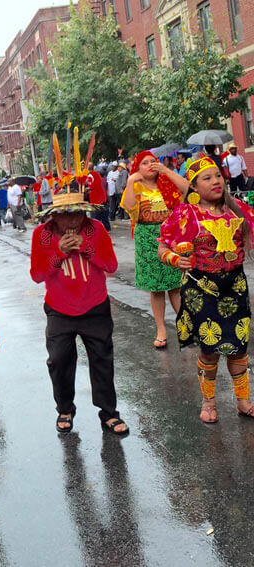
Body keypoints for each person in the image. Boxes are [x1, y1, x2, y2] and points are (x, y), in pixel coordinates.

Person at [158, 156, 254, 423]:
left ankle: (243, 400)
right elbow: (162, 248)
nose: (216, 182)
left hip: (234, 286)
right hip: (202, 289)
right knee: (209, 349)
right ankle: (209, 402)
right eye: (207, 178)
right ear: (194, 187)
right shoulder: (185, 214)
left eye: (218, 176)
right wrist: (177, 259)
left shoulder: (240, 212)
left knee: (239, 346)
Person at [30, 179, 129, 436]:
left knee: (102, 360)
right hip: (59, 309)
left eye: (77, 213)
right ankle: (65, 408)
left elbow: (111, 265)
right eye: (65, 214)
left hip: (95, 306)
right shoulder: (41, 234)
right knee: (59, 359)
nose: (72, 220)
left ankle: (109, 412)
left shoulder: (95, 228)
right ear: (54, 215)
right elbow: (37, 274)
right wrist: (59, 253)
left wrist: (85, 248)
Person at [121, 150, 189, 349]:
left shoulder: (166, 182)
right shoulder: (136, 185)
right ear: (137, 169)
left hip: (170, 236)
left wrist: (166, 171)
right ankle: (161, 328)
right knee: (156, 288)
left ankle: (184, 327)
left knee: (176, 284)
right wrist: (130, 181)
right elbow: (129, 207)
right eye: (144, 163)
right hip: (146, 238)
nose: (150, 165)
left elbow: (188, 190)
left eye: (153, 161)